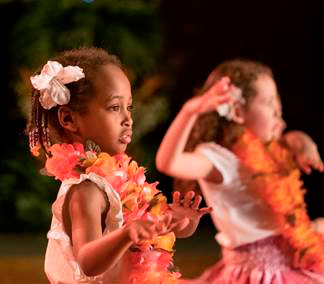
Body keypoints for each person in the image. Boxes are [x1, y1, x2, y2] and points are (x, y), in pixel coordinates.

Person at [156, 59, 324, 283]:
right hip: (258, 276)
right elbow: (169, 162)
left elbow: (290, 140)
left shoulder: (270, 151)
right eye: (269, 101)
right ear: (238, 111)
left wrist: (310, 233)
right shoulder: (217, 159)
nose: (277, 109)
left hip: (293, 264)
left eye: (278, 101)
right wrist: (190, 110)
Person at [26, 47, 211, 284]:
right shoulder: (86, 191)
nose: (128, 119)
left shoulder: (124, 178)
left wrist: (183, 221)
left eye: (129, 107)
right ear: (69, 119)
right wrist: (127, 234)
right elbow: (88, 261)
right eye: (115, 107)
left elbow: (158, 231)